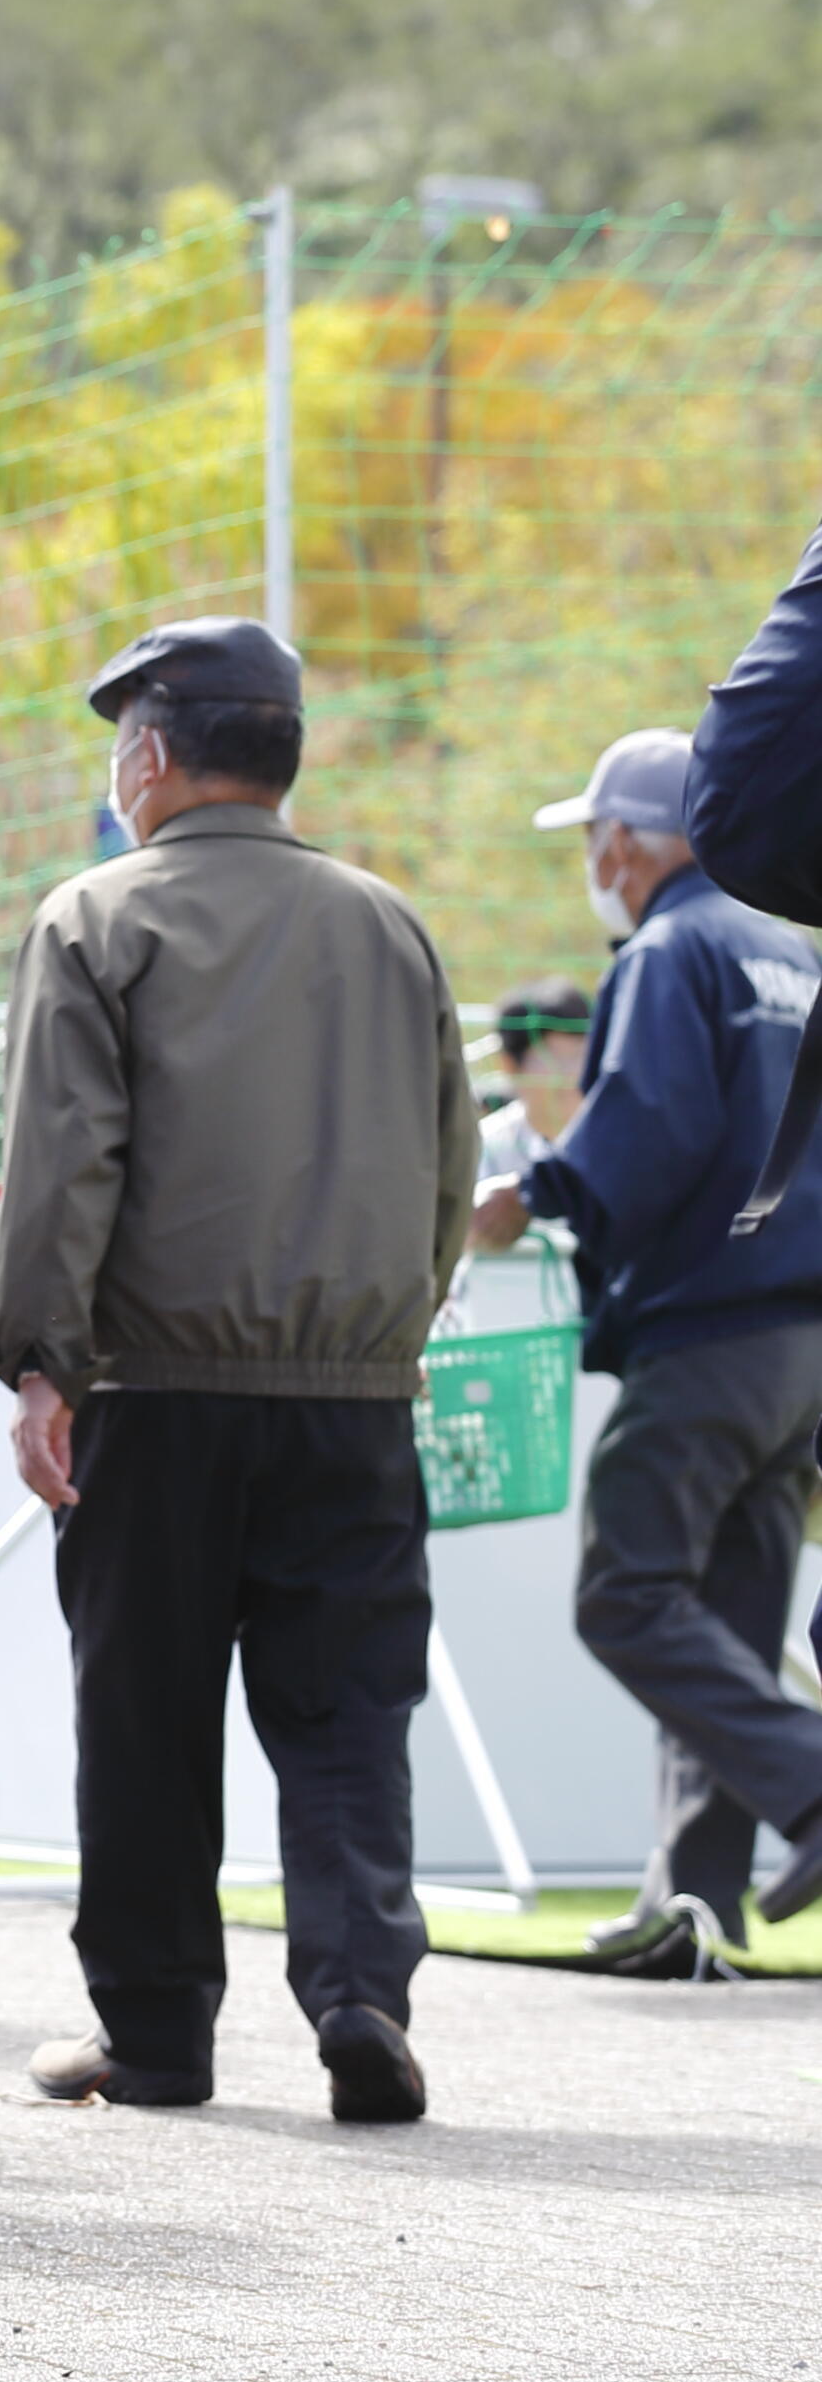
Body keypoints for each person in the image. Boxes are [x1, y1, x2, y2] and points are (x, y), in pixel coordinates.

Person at [0, 616, 475, 2123]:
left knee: (146, 1717)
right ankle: (357, 1994)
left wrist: (40, 1364)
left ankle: (155, 2037)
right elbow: (451, 1165)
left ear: (146, 753)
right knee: (348, 1716)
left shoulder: (97, 919)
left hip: (155, 1389)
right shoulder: (389, 923)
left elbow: (64, 1164)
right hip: (353, 1393)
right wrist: (385, 1333)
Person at [471, 731, 822, 1937]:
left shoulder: (674, 948)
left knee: (626, 1592)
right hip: (802, 1346)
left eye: (592, 838)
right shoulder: (791, 947)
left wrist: (531, 1198)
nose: (593, 859)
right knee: (726, 1617)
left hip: (710, 1334)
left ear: (626, 837)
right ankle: (697, 1898)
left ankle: (809, 1780)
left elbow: (649, 1131)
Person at [479, 976, 595, 1185]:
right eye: (556, 1058)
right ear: (510, 1065)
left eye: (582, 1054)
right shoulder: (483, 1149)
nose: (575, 1072)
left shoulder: (624, 1142)